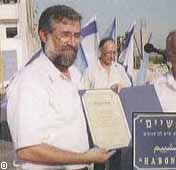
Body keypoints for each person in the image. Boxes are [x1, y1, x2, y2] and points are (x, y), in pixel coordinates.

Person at [7, 5, 114, 170]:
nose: (72, 43)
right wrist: (83, 158)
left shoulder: (75, 74)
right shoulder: (29, 81)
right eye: (64, 35)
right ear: (44, 35)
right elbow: (27, 150)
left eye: (77, 35)